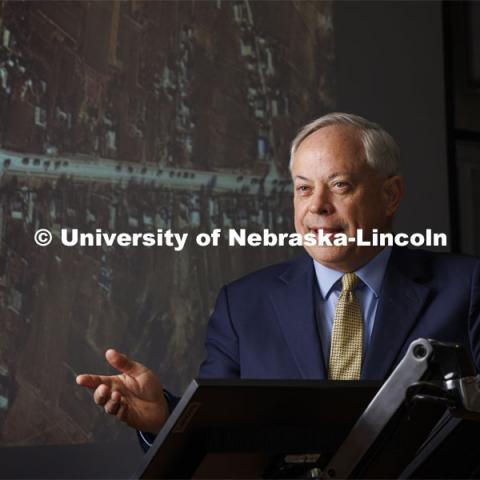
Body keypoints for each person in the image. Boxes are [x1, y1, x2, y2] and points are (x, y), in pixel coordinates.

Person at [76, 112, 480, 446]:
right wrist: (163, 419)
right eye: (304, 189)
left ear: (391, 195)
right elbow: (219, 431)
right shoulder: (243, 304)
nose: (317, 207)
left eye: (340, 186)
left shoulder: (467, 287)